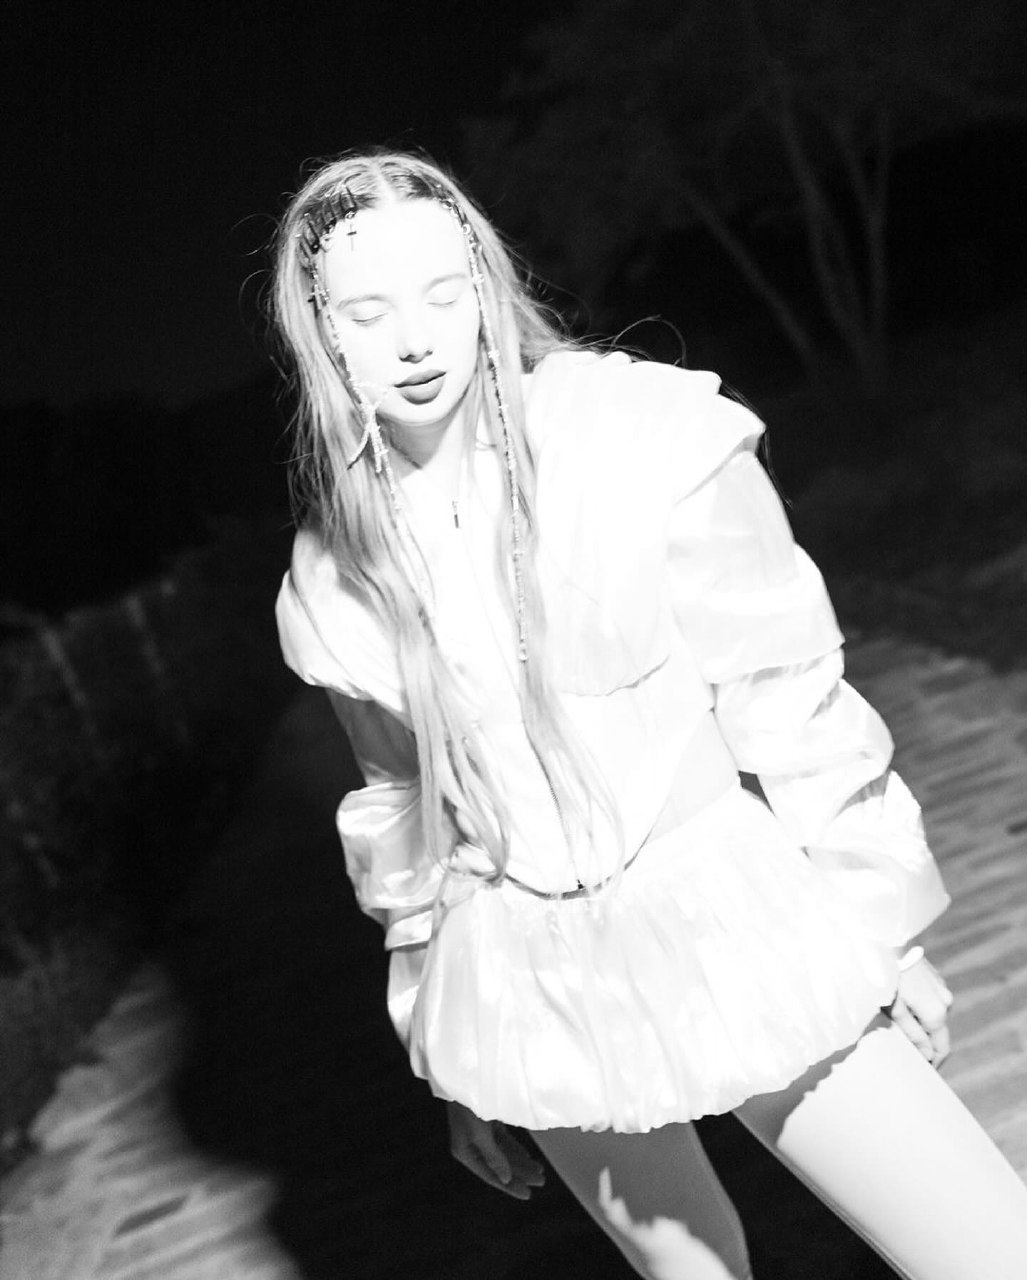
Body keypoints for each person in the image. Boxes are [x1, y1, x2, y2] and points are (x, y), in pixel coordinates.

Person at [271, 150, 1027, 1279]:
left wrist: (883, 933)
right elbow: (403, 815)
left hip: (729, 916)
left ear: (484, 285)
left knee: (986, 1248)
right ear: (321, 334)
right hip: (527, 973)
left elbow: (791, 695)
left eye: (443, 294)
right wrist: (452, 1050)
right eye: (369, 314)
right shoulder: (336, 571)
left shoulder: (638, 434)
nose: (417, 341)